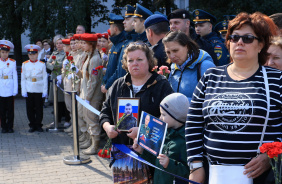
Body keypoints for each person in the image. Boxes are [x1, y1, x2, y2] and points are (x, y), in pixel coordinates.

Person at [186, 12, 281, 184]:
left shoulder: (277, 79)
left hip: (263, 177)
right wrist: (196, 165)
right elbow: (193, 123)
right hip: (213, 173)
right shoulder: (211, 76)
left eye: (248, 38)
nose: (239, 43)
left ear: (261, 45)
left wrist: (272, 155)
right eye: (234, 37)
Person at [99, 41, 174, 183]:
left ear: (149, 61)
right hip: (122, 153)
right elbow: (105, 112)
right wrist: (107, 127)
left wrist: (142, 132)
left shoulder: (161, 85)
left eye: (139, 59)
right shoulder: (118, 85)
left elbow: (170, 118)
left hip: (150, 154)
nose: (135, 63)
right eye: (130, 60)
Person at [133, 93, 190, 184]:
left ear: (176, 116)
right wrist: (142, 151)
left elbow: (188, 172)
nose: (160, 118)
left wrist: (169, 164)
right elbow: (155, 161)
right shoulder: (164, 133)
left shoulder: (184, 141)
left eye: (163, 114)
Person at [73, 33, 104, 155]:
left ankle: (95, 145)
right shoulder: (88, 56)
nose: (82, 45)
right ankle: (88, 139)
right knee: (83, 116)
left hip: (91, 95)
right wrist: (77, 71)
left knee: (91, 119)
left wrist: (88, 97)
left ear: (91, 45)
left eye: (84, 43)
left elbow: (93, 80)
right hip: (85, 93)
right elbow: (85, 76)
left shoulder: (95, 59)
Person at [162, 31, 215, 101]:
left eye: (175, 50)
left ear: (187, 47)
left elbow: (213, 99)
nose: (171, 56)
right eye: (168, 52)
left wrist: (185, 103)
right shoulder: (173, 68)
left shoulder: (205, 66)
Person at [21, 44, 48, 133]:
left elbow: (45, 78)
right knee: (30, 108)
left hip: (39, 88)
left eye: (34, 54)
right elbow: (23, 78)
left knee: (39, 108)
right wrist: (23, 90)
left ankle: (38, 125)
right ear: (28, 55)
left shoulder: (42, 64)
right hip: (29, 88)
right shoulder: (24, 64)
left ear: (37, 54)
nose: (32, 56)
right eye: (30, 54)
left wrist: (45, 91)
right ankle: (32, 125)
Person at [101, 13, 126, 93]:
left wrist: (107, 85)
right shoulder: (115, 44)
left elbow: (119, 70)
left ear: (115, 29)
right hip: (110, 86)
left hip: (115, 87)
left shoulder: (122, 44)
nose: (109, 29)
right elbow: (110, 68)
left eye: (110, 27)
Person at [46, 34, 67, 123]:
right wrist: (54, 66)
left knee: (63, 100)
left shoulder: (66, 54)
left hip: (61, 79)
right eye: (57, 43)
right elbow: (47, 64)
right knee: (55, 100)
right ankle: (56, 120)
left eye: (61, 43)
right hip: (54, 78)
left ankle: (66, 119)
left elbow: (62, 64)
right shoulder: (54, 53)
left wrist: (54, 65)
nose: (59, 45)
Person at [0, 40, 18, 133]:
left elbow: (15, 76)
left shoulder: (12, 62)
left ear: (8, 53)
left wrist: (15, 89)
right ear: (0, 52)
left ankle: (10, 126)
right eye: (2, 52)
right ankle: (3, 126)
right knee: (2, 110)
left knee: (10, 110)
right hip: (1, 88)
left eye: (6, 52)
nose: (4, 54)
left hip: (10, 87)